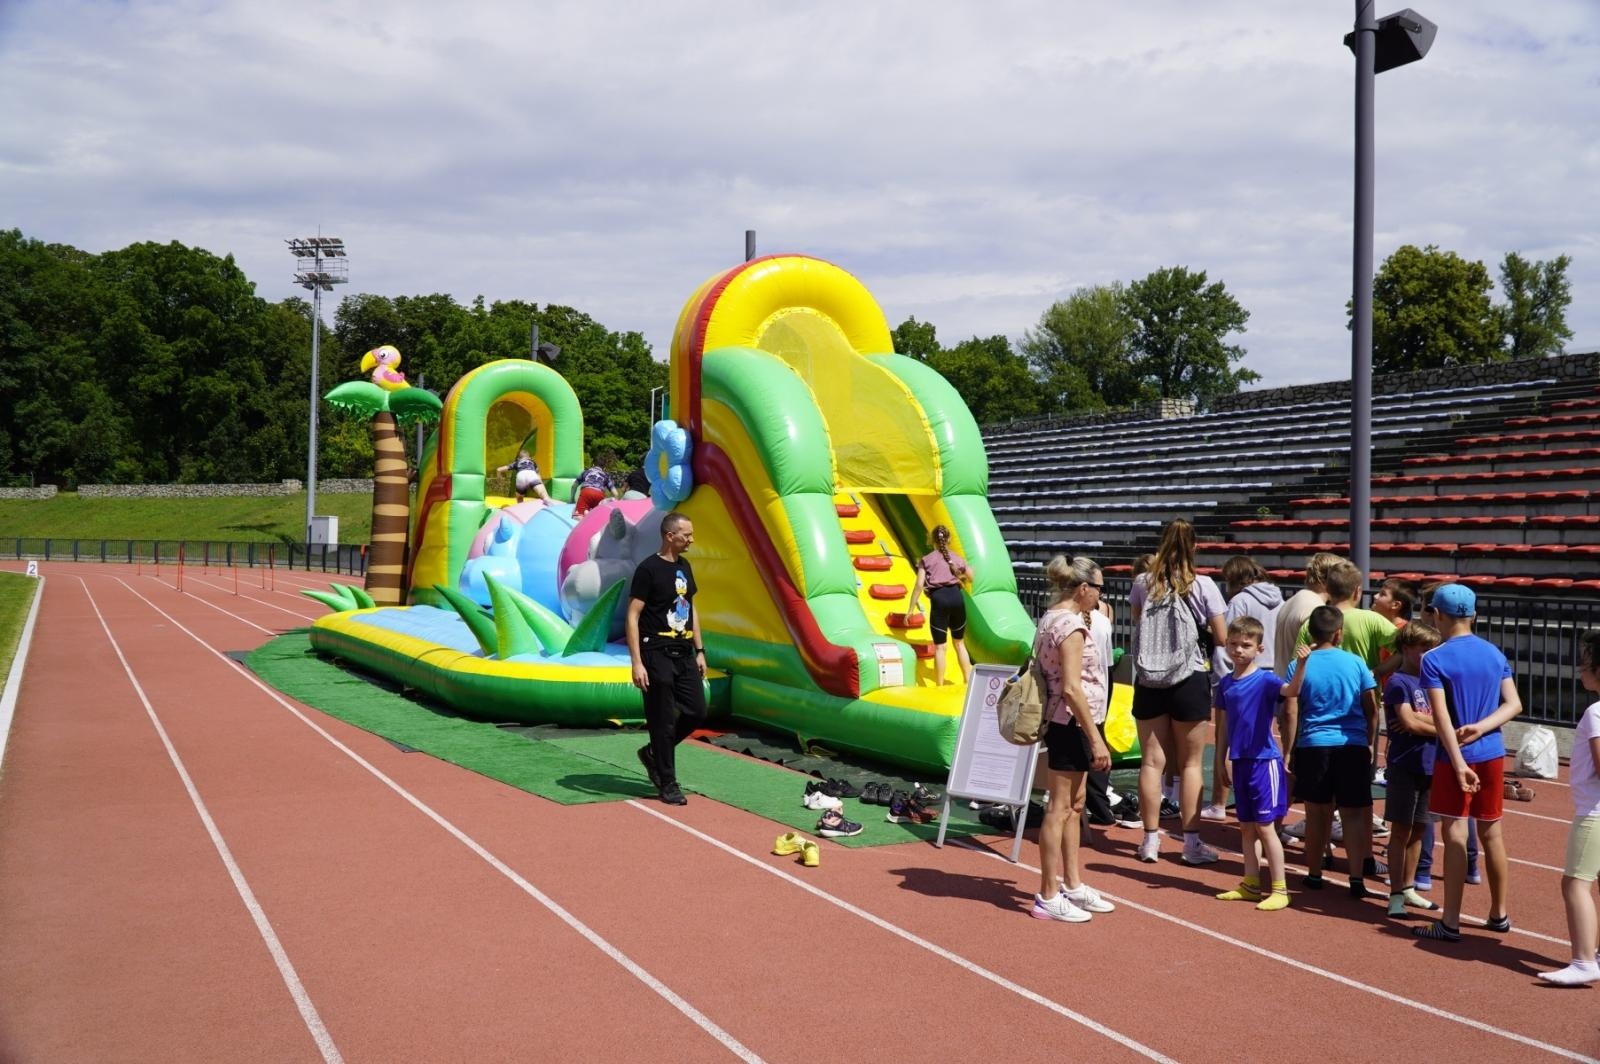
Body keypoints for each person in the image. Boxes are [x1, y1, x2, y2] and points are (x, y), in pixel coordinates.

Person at [1412, 583, 1522, 943]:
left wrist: (1458, 760)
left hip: (1453, 757)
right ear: (1473, 614)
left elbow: (1441, 718)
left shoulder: (1435, 658)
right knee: (1492, 833)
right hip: (1491, 752)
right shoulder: (1493, 653)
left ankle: (1452, 921)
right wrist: (1482, 728)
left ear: (1437, 615)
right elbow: (1513, 705)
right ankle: (1499, 914)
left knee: (1455, 833)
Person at [1129, 519, 1228, 865]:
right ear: (1195, 547)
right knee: (1190, 764)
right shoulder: (1203, 585)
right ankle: (1190, 843)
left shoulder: (1143, 582)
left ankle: (1150, 840)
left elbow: (1138, 620)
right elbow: (1221, 636)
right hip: (1190, 677)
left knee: (1152, 762)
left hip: (1149, 679)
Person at [1031, 556, 1117, 922]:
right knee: (1059, 807)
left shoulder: (1053, 618)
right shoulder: (1069, 626)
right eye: (1098, 588)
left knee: (1075, 804)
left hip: (1071, 723)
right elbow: (1071, 687)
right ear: (1083, 588)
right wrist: (1096, 739)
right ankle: (1049, 893)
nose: (1100, 596)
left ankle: (1072, 883)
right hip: (1072, 724)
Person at [1284, 605, 1378, 897]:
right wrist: (1371, 741)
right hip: (1352, 744)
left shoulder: (1299, 664)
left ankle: (1314, 874)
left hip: (1314, 744)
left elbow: (1291, 710)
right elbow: (1371, 706)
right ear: (1339, 634)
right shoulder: (1356, 663)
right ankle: (1356, 878)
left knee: (1316, 813)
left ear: (1310, 632)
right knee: (1352, 813)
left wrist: (1288, 750)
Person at [626, 512, 708, 806]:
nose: (691, 540)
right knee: (661, 720)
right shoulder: (648, 569)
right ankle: (667, 781)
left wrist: (700, 650)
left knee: (697, 711)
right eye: (686, 535)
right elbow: (633, 615)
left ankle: (653, 753)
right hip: (655, 651)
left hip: (684, 651)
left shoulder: (685, 567)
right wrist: (636, 662)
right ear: (670, 535)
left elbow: (691, 608)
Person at [1212, 616, 1292, 911]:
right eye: (1233, 644)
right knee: (1246, 827)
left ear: (1259, 648)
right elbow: (1222, 726)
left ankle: (1280, 888)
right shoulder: (1225, 684)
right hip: (1240, 761)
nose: (1238, 650)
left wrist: (1303, 665)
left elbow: (1291, 691)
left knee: (1266, 827)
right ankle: (1250, 883)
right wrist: (1220, 761)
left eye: (1245, 645)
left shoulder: (1266, 680)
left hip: (1264, 761)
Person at [1539, 630, 1600, 984]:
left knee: (1575, 883)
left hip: (1594, 810)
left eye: (1585, 662)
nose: (1580, 670)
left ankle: (1583, 961)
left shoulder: (1595, 711)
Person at [1205, 558, 1283, 821]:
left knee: (1226, 737)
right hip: (1269, 671)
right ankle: (1267, 804)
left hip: (1241, 676)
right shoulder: (1279, 600)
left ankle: (1219, 801)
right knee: (1263, 736)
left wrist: (1223, 676)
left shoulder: (1239, 601)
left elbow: (1228, 640)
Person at [1381, 621, 1445, 918]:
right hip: (1405, 765)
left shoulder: (1435, 682)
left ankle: (1408, 887)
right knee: (1401, 830)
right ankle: (1395, 892)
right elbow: (1407, 722)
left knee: (1420, 830)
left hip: (1431, 765)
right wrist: (1441, 728)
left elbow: (1446, 721)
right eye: (1425, 650)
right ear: (1407, 650)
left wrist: (1428, 724)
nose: (1432, 656)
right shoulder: (1399, 682)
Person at [907, 524, 973, 686]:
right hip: (956, 598)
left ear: (932, 540)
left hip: (939, 599)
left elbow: (919, 585)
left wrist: (910, 610)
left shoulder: (926, 560)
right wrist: (961, 575)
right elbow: (971, 577)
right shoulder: (957, 558)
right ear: (949, 539)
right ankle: (968, 682)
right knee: (959, 643)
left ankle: (940, 685)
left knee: (940, 647)